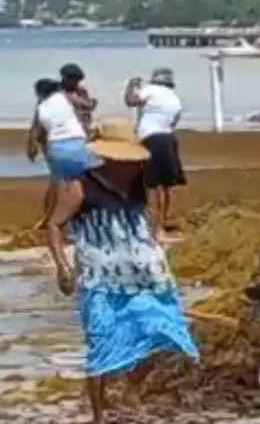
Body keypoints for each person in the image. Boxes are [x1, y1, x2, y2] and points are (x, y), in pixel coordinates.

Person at [45, 117, 199, 424]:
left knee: (161, 328)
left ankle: (131, 387)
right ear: (107, 156)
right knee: (101, 342)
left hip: (143, 272)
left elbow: (153, 209)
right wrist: (62, 266)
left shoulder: (140, 180)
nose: (128, 165)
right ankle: (99, 416)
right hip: (100, 274)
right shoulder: (80, 185)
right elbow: (54, 224)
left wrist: (153, 240)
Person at [124, 67, 185, 244]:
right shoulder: (175, 98)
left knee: (151, 186)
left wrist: (130, 85)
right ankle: (161, 225)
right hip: (168, 138)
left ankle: (154, 230)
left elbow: (130, 101)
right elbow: (173, 122)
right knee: (166, 187)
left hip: (151, 139)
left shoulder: (150, 90)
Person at [29, 78, 97, 223]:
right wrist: (92, 103)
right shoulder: (64, 96)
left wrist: (32, 145)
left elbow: (36, 127)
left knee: (60, 183)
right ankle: (70, 217)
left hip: (55, 146)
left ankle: (54, 217)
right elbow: (87, 106)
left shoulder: (42, 106)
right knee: (82, 181)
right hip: (76, 143)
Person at [60, 63, 98, 135]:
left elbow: (89, 107)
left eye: (77, 80)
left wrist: (92, 104)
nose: (75, 82)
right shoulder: (57, 93)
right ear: (65, 78)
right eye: (73, 79)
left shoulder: (81, 91)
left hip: (82, 129)